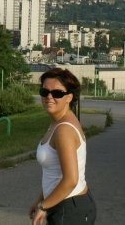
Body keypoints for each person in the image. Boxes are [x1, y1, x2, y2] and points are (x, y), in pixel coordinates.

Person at [29, 67, 96, 224]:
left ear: (69, 97)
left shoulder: (64, 129)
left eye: (57, 93)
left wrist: (44, 207)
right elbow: (54, 174)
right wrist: (40, 200)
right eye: (44, 92)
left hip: (70, 208)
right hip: (64, 203)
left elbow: (71, 179)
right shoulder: (57, 123)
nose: (49, 97)